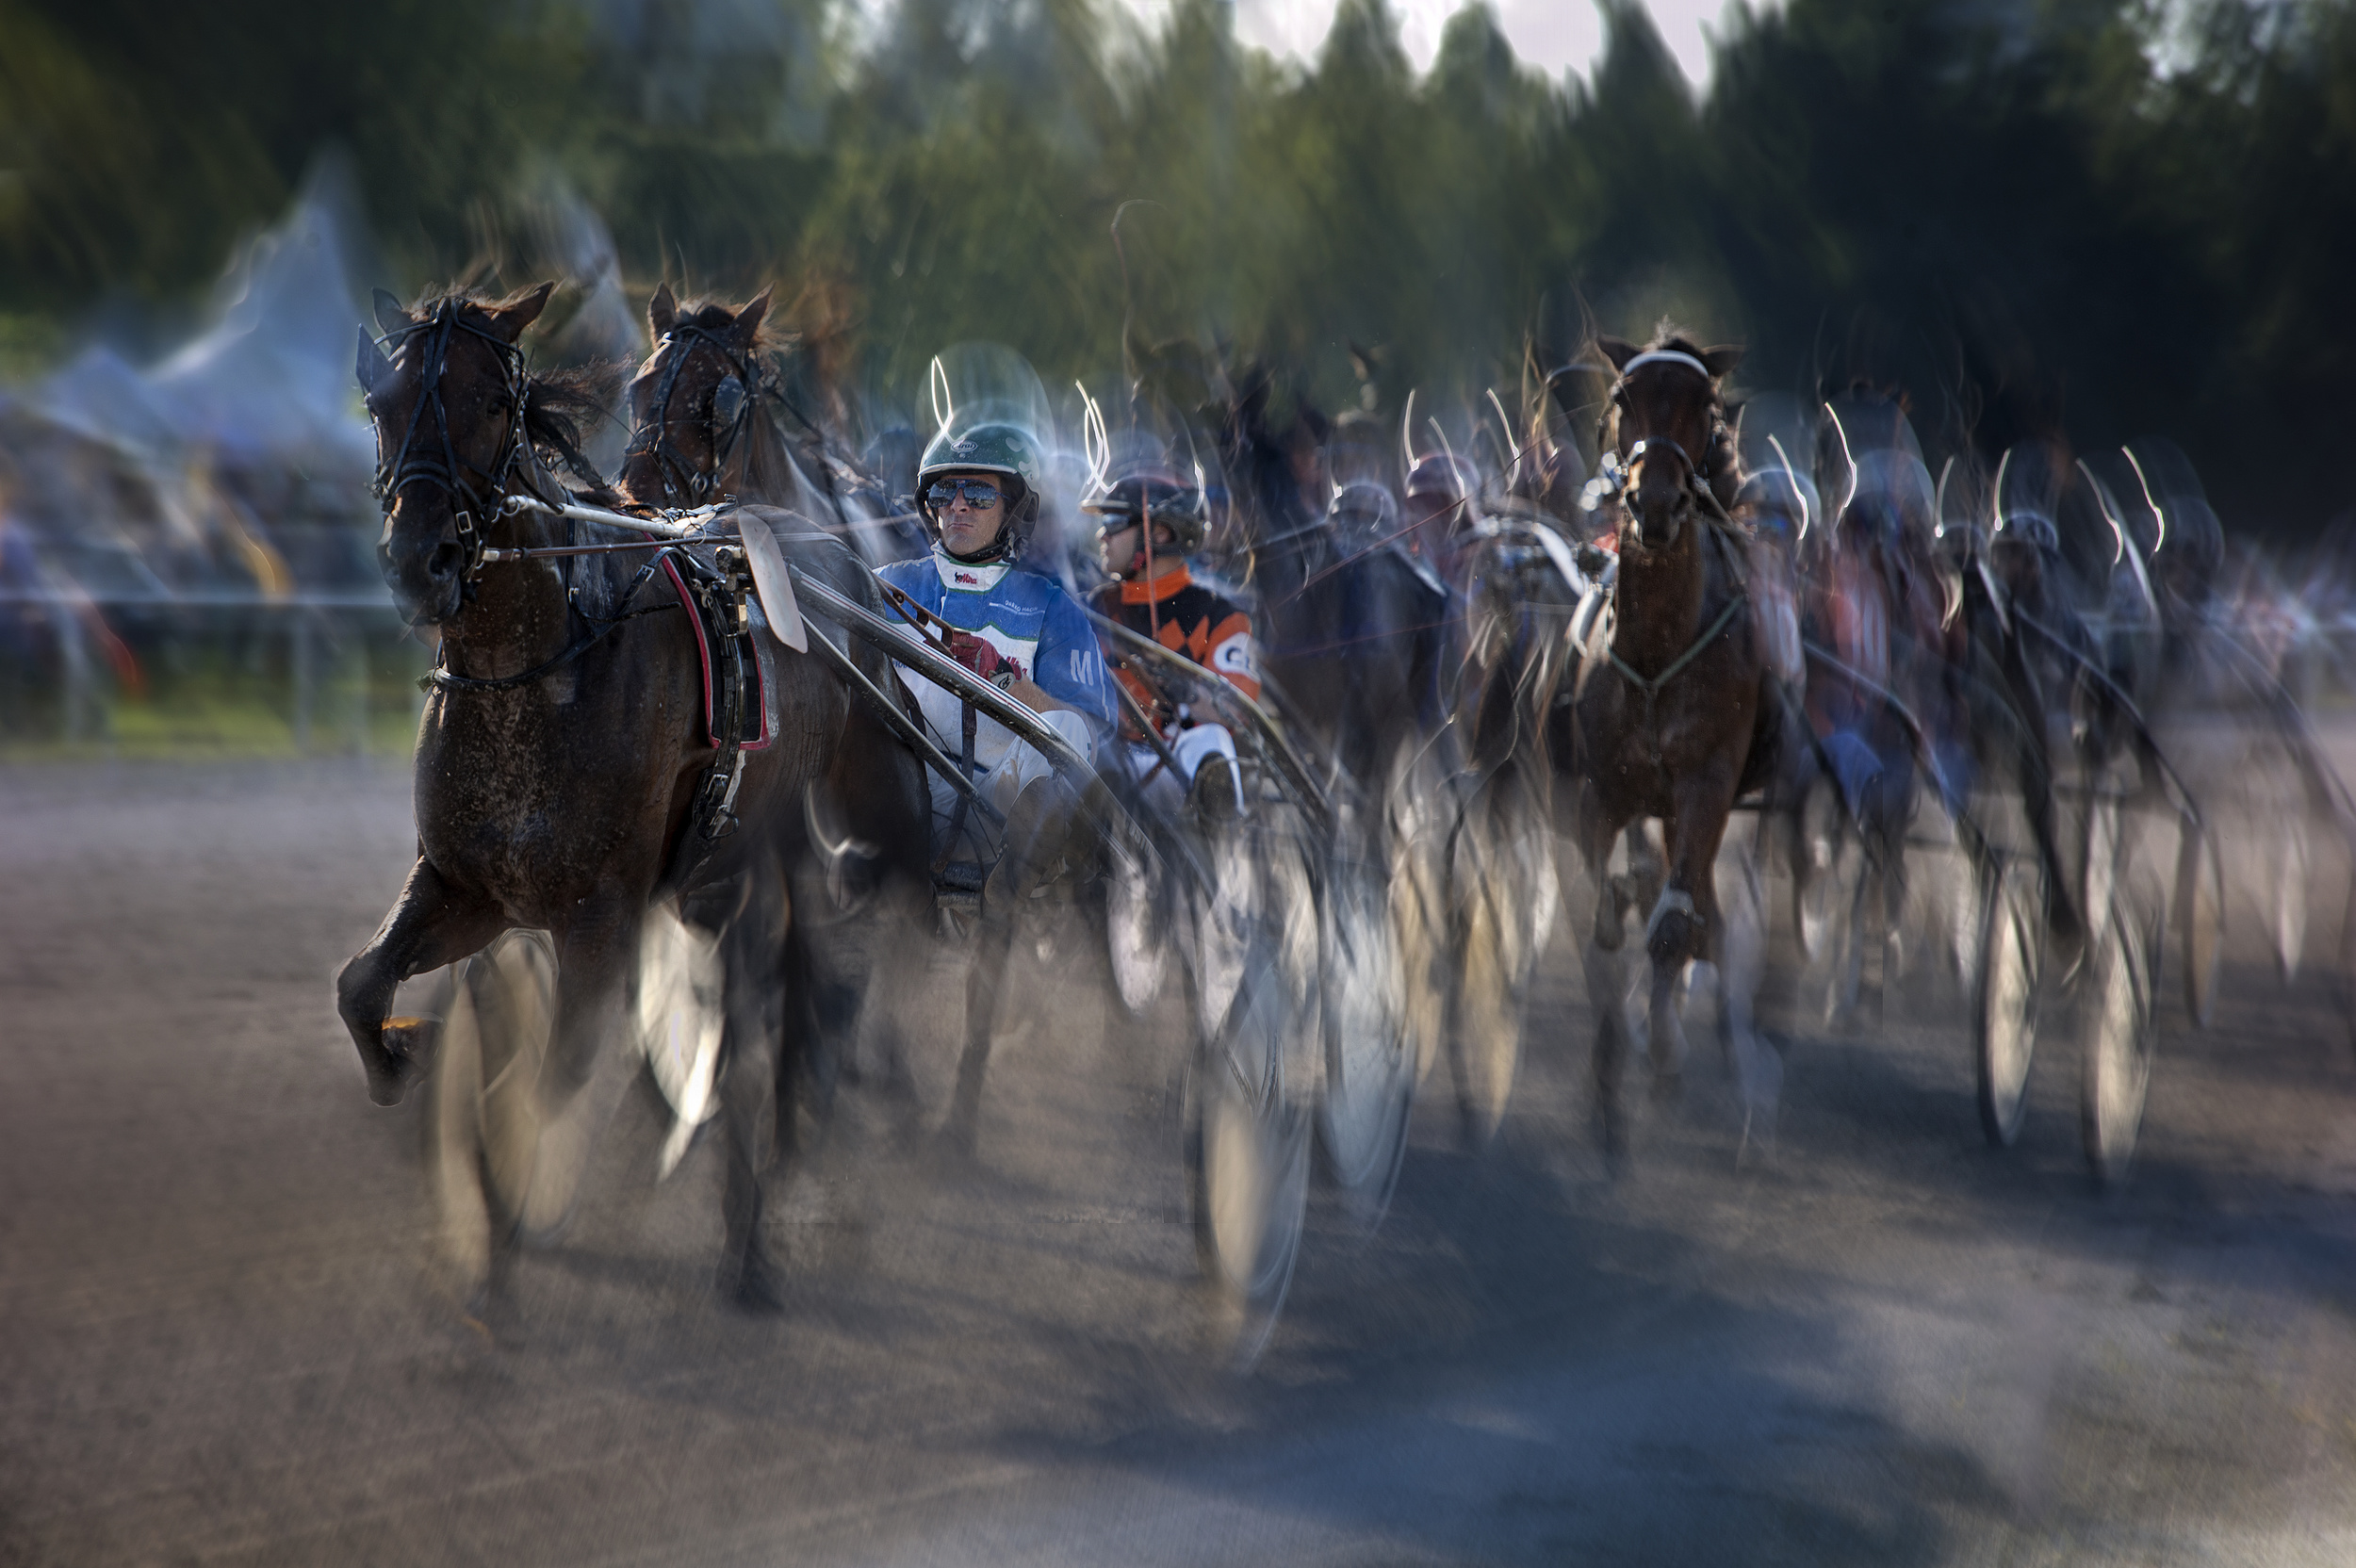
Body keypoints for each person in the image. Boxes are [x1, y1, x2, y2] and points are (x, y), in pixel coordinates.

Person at [875, 420, 1118, 885]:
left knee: (1066, 730)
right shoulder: (886, 583)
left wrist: (1005, 680)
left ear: (1014, 508)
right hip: (891, 792)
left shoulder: (1052, 608)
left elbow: (1088, 734)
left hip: (992, 805)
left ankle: (1013, 889)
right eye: (944, 492)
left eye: (979, 494)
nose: (958, 504)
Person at [1084, 463, 1258, 821]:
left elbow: (1235, 711)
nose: (1102, 535)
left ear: (1160, 534)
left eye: (1114, 522)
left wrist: (1180, 686)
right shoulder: (1088, 608)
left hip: (1175, 771)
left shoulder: (1222, 616)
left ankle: (1215, 841)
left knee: (1212, 742)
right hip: (1104, 764)